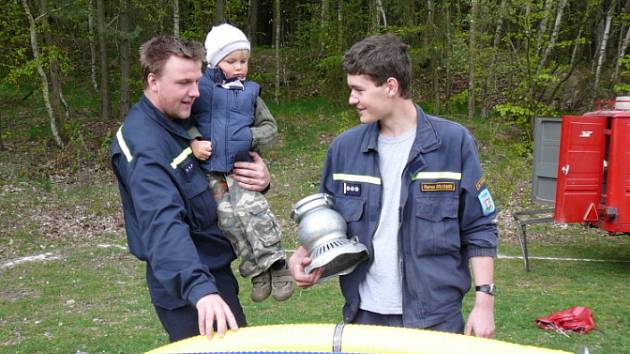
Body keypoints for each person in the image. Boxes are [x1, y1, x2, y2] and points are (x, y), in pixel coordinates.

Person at [289, 33, 498, 338]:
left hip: (435, 321)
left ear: (390, 86)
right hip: (364, 318)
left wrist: (484, 303)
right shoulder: (343, 150)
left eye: (358, 90)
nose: (351, 99)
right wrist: (303, 253)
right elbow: (327, 219)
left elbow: (479, 227)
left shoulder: (453, 144)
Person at [111, 35, 272, 342]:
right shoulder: (144, 145)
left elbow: (220, 170)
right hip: (188, 288)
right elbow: (162, 225)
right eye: (184, 82)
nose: (195, 92)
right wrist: (200, 290)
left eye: (197, 81)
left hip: (214, 274)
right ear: (153, 81)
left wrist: (259, 179)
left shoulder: (182, 119)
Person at [189, 23, 293, 303]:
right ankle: (255, 270)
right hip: (212, 172)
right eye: (231, 61)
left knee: (253, 213)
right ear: (214, 60)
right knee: (228, 221)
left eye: (244, 61)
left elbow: (270, 127)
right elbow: (185, 121)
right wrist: (194, 140)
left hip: (241, 167)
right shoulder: (199, 89)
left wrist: (249, 136)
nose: (239, 68)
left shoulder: (250, 93)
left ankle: (277, 264)